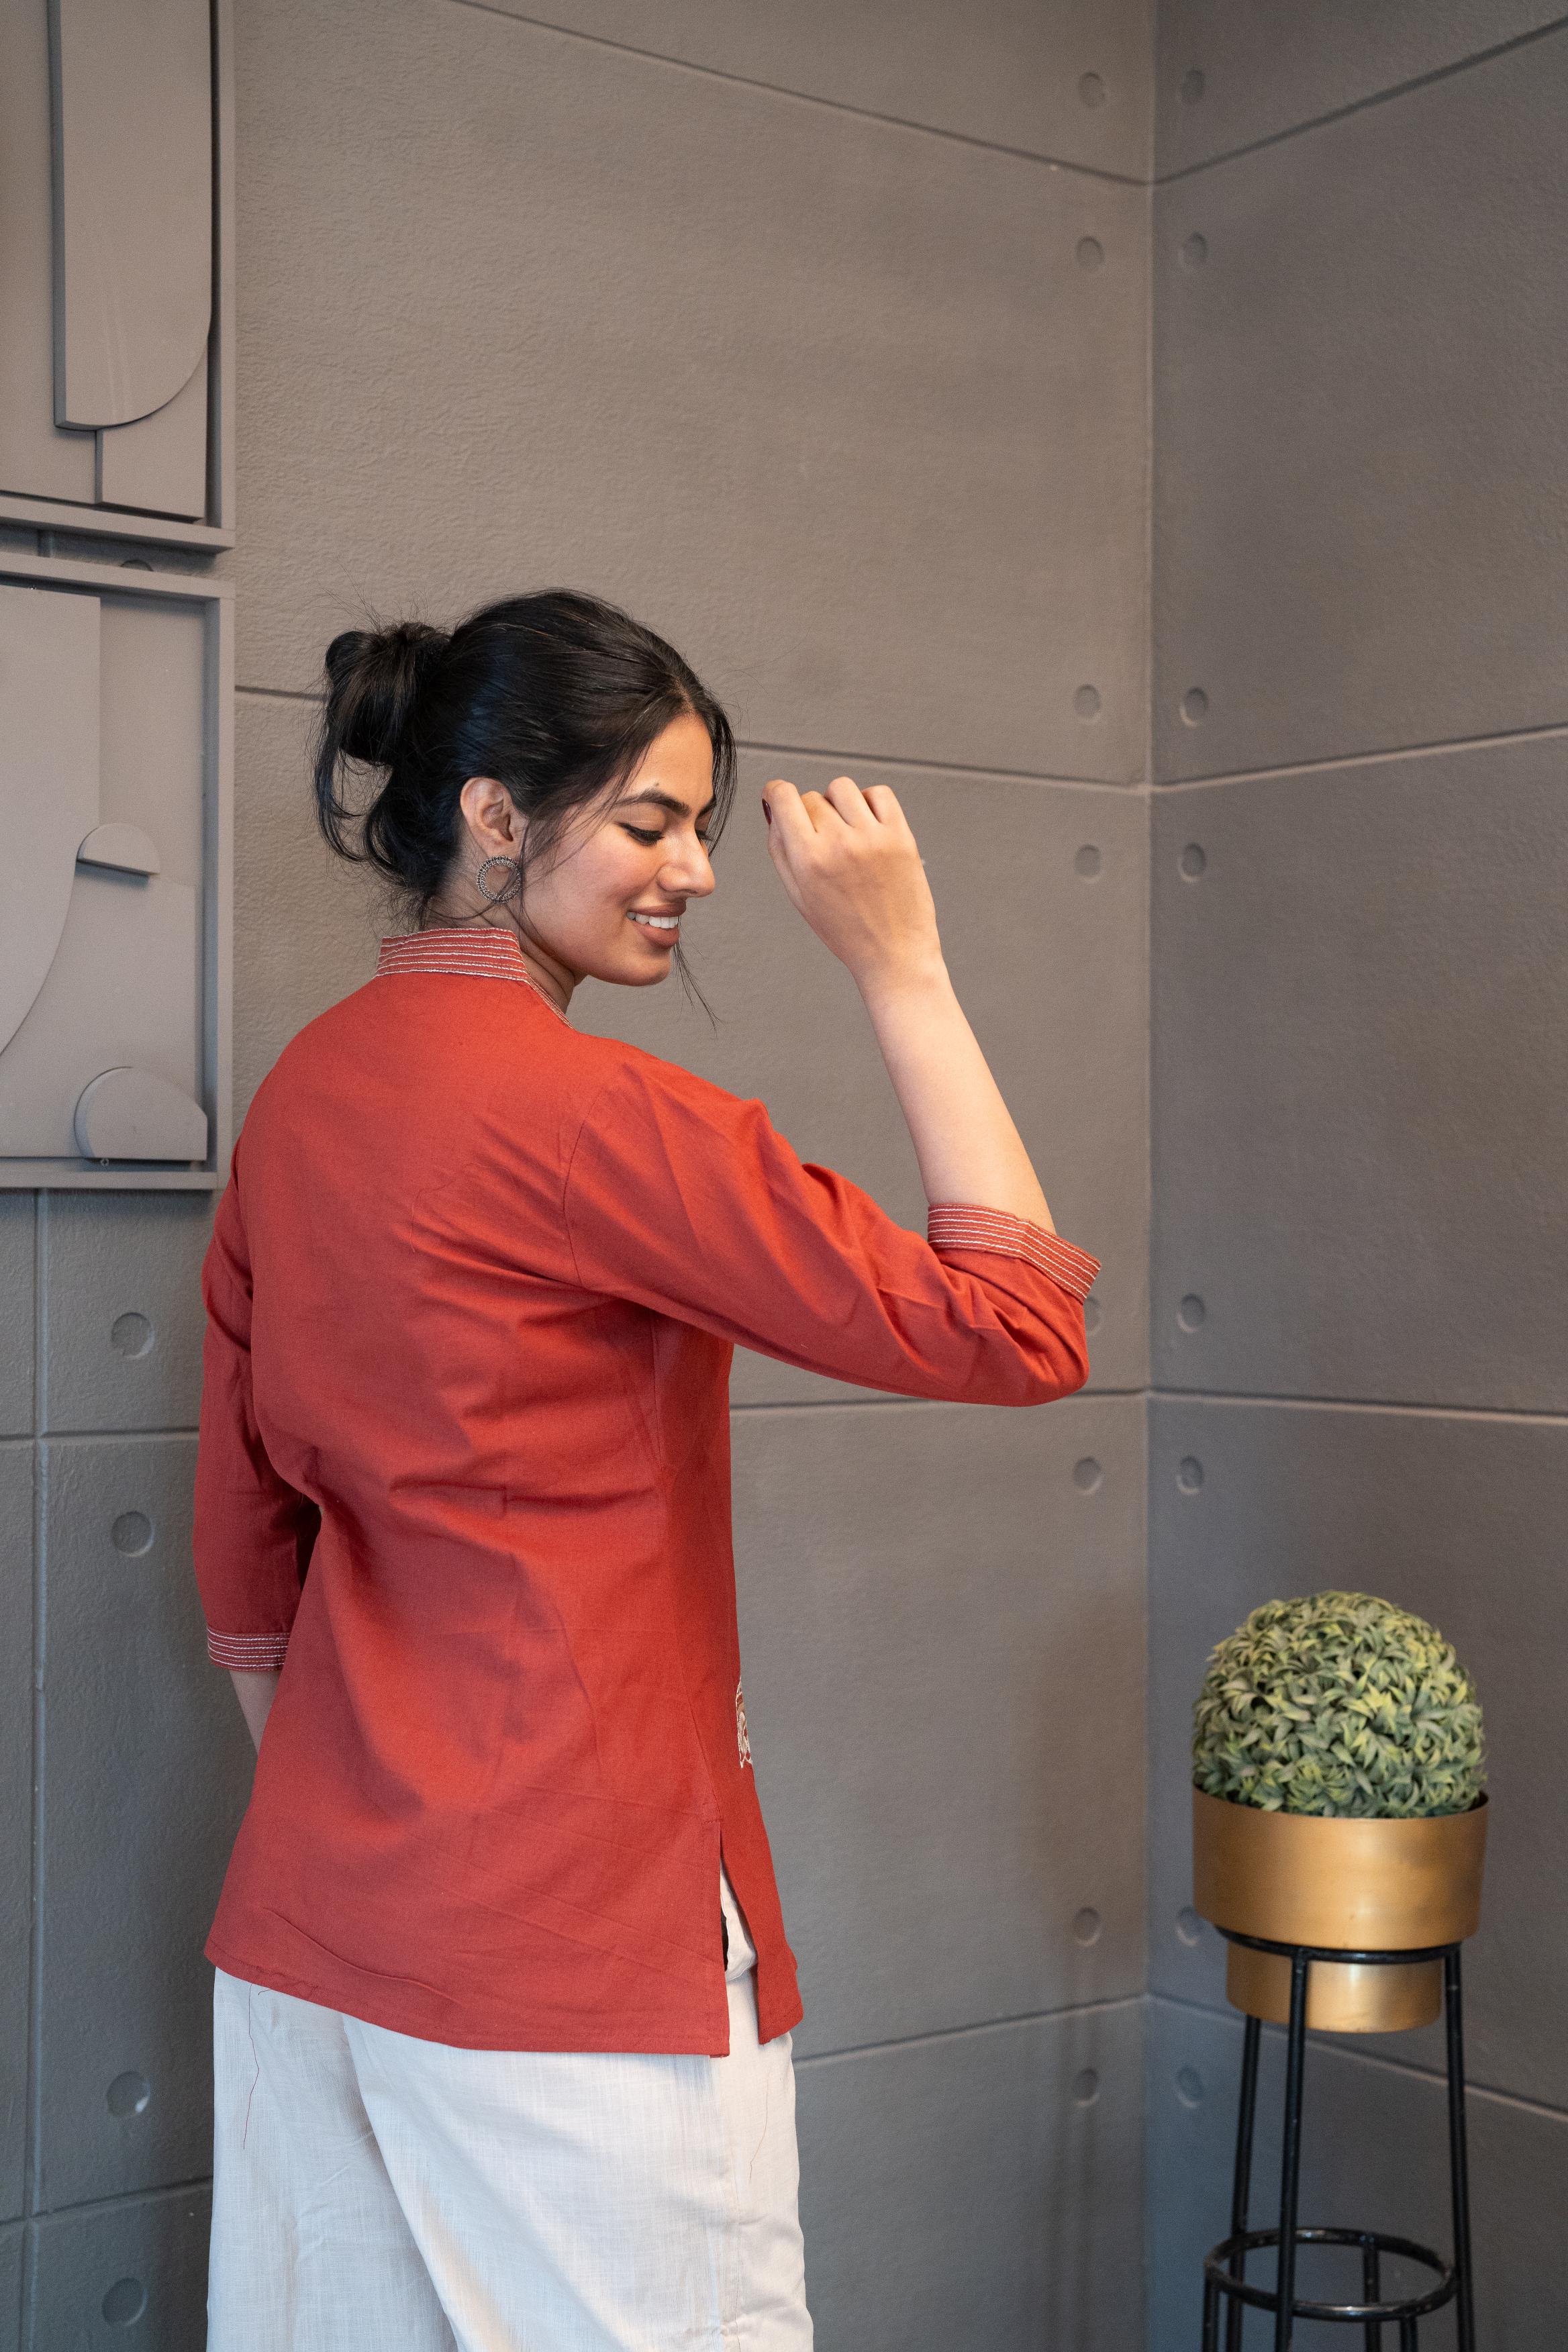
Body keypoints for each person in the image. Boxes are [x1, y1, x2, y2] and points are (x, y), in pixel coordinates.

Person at [193, 589, 1099, 2351]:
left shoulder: (302, 1098)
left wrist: (377, 1823)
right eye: (651, 819)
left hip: (317, 1935)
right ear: (495, 815)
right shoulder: (598, 1124)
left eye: (700, 822)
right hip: (577, 1947)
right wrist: (902, 958)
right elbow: (1017, 1322)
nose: (693, 867)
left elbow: (246, 1561)